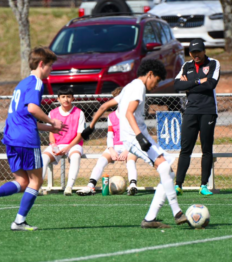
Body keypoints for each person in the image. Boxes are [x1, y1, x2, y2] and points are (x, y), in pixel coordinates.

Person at [81, 59, 188, 228]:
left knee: (169, 171)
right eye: (157, 80)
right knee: (165, 168)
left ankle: (150, 219)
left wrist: (90, 127)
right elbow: (129, 113)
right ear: (150, 74)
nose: (156, 84)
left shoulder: (128, 87)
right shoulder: (139, 87)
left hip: (136, 136)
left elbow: (104, 107)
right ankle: (177, 213)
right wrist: (140, 137)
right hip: (135, 136)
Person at [0, 46, 66, 231]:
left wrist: (51, 128)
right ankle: (19, 221)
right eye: (50, 66)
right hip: (26, 139)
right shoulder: (36, 82)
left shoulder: (22, 84)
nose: (51, 71)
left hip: (11, 137)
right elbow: (33, 109)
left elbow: (26, 117)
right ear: (41, 64)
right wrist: (52, 120)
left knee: (22, 182)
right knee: (36, 182)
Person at [174, 39, 220, 196]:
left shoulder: (214, 63)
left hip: (208, 111)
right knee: (185, 149)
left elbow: (211, 84)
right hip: (190, 111)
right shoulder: (186, 66)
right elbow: (177, 85)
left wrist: (189, 84)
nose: (195, 55)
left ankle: (204, 185)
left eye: (198, 52)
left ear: (204, 51)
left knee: (206, 149)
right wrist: (199, 81)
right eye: (192, 52)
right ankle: (178, 185)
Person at [76, 87, 139, 196]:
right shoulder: (111, 116)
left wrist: (126, 150)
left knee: (131, 161)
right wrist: (111, 150)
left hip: (130, 146)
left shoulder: (132, 115)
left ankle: (133, 185)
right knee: (101, 161)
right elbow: (110, 135)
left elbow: (134, 136)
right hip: (114, 146)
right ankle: (91, 186)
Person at [41, 87, 85, 196]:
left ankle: (69, 187)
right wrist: (54, 145)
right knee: (44, 158)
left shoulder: (79, 113)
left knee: (75, 156)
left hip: (74, 144)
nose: (66, 99)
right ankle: (37, 187)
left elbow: (80, 135)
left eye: (68, 97)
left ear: (73, 98)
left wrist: (67, 148)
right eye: (63, 97)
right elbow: (51, 132)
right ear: (58, 99)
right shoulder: (52, 113)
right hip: (57, 145)